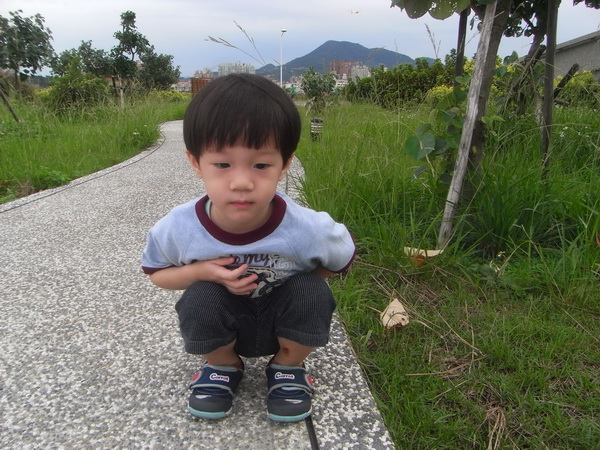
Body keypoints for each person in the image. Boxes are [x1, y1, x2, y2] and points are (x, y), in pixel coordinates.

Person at [141, 73, 355, 423]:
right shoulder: (179, 227)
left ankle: (288, 367)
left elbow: (342, 255)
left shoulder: (304, 226)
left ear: (285, 164)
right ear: (195, 162)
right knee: (198, 298)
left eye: (261, 165)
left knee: (313, 291)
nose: (241, 182)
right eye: (222, 164)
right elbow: (157, 275)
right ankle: (223, 366)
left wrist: (303, 278)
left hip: (281, 320)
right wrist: (202, 272)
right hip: (225, 320)